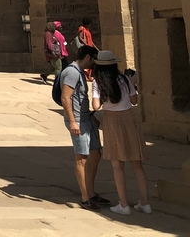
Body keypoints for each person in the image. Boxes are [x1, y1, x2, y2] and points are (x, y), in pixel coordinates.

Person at [91, 51, 151, 215]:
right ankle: (145, 203)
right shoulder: (124, 79)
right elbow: (134, 101)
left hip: (112, 120)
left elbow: (95, 106)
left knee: (117, 165)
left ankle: (123, 205)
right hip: (129, 119)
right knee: (137, 164)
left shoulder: (98, 82)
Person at [61, 45, 112, 210]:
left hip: (86, 118)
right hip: (78, 120)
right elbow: (65, 97)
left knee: (95, 153)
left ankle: (91, 193)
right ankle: (85, 198)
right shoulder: (72, 72)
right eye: (94, 59)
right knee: (81, 158)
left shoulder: (80, 73)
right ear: (88, 57)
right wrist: (72, 121)